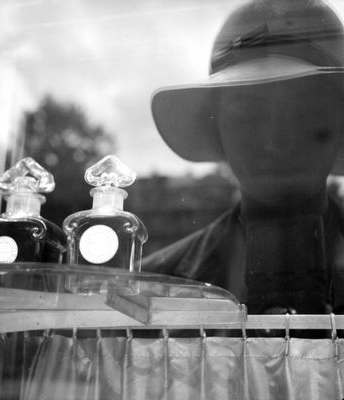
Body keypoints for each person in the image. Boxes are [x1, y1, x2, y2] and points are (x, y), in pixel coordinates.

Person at [142, 0, 344, 316]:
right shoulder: (147, 297)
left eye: (304, 109)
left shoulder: (156, 289)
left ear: (339, 121)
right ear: (217, 126)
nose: (275, 139)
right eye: (249, 111)